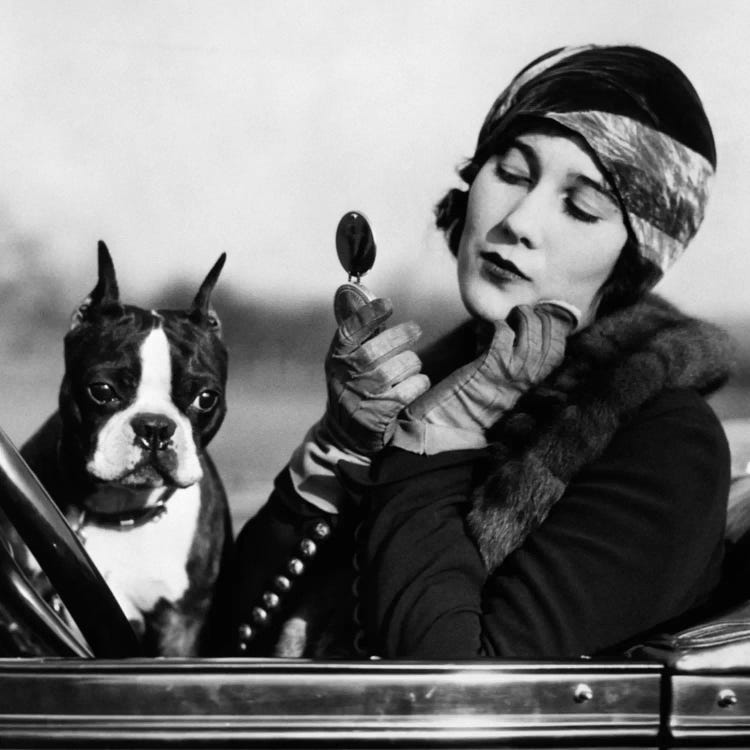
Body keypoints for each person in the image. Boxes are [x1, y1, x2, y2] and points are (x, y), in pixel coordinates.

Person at [230, 44, 733, 659]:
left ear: (632, 262)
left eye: (582, 207)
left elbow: (454, 687)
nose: (519, 221)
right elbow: (228, 637)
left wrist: (440, 437)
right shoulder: (429, 377)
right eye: (512, 173)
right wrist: (337, 448)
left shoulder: (664, 445)